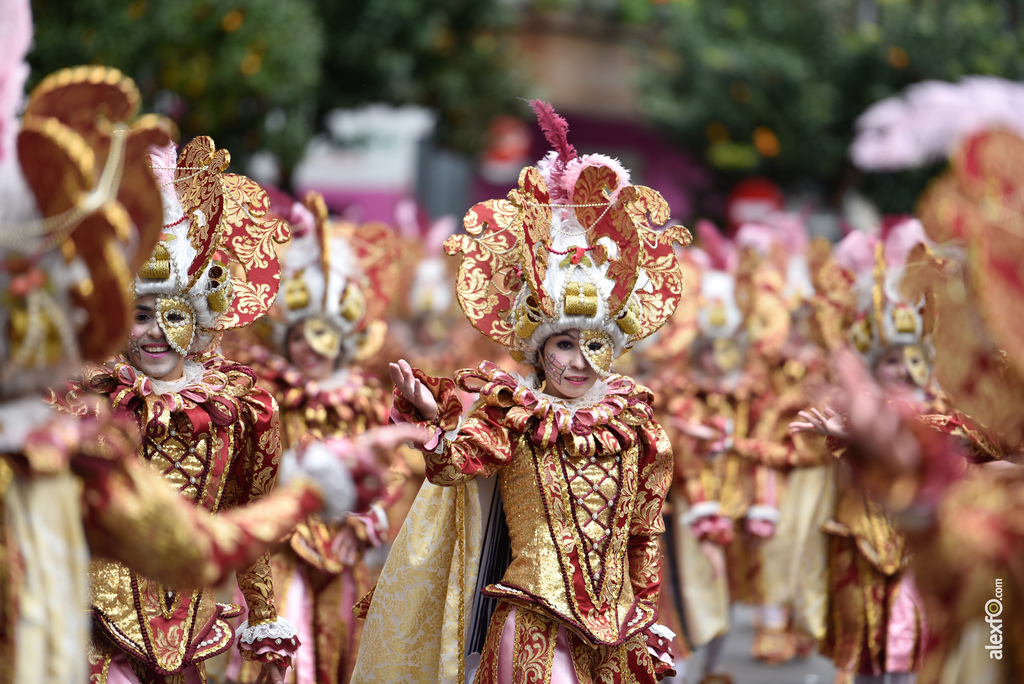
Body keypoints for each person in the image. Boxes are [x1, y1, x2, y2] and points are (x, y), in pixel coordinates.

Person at [352, 101, 691, 683]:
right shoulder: (516, 411)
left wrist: (651, 615)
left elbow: (645, 530)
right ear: (538, 349)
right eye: (563, 345)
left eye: (596, 346)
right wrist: (440, 420)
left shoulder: (636, 424)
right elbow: (456, 466)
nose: (578, 362)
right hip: (533, 623)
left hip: (619, 632)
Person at [60, 136, 303, 684]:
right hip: (88, 623)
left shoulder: (239, 408)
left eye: (173, 315)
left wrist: (265, 622)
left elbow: (245, 516)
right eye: (141, 314)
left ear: (200, 323)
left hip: (187, 629)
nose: (156, 332)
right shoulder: (86, 399)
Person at [224, 190, 409, 684]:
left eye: (323, 336)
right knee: (277, 650)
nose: (310, 349)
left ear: (345, 341)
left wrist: (365, 523)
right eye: (301, 335)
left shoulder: (364, 397)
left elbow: (391, 467)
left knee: (339, 647)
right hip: (281, 543)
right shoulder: (269, 394)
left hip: (343, 554)